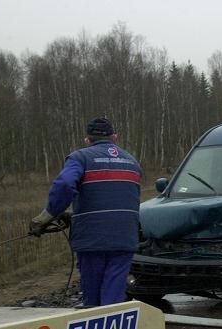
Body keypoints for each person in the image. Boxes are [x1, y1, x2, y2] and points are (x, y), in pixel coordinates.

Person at [29, 117, 142, 307]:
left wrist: (46, 217)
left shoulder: (80, 158)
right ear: (115, 137)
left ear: (87, 140)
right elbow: (116, 196)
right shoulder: (132, 162)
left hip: (92, 239)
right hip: (124, 237)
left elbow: (65, 184)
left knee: (93, 299)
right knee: (113, 297)